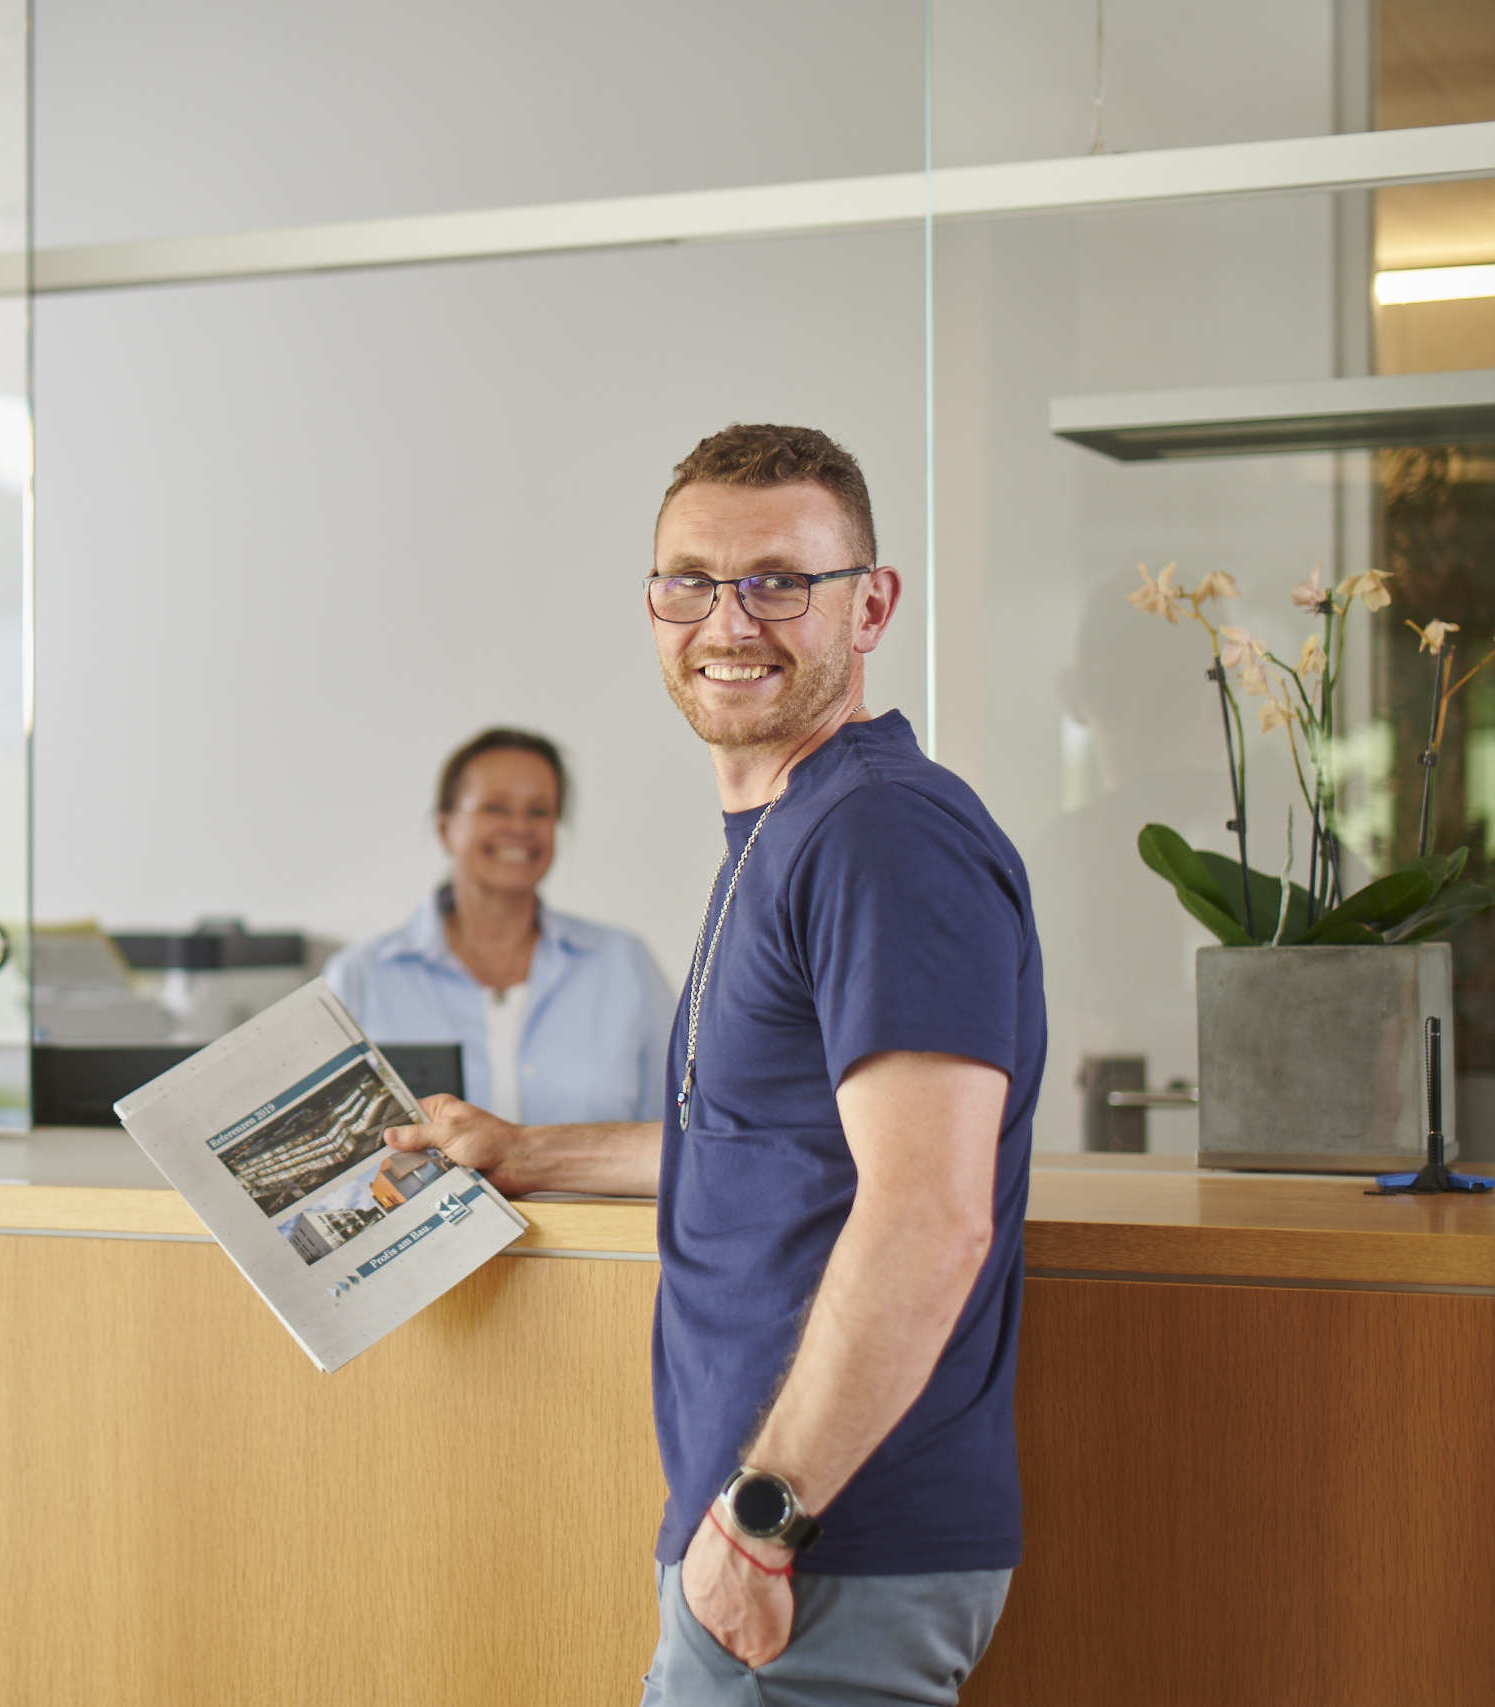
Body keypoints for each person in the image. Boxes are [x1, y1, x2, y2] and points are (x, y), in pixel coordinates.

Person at [389, 424, 1042, 1707]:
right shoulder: (788, 829)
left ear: (871, 607)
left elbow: (928, 1212)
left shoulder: (876, 835)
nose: (728, 623)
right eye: (689, 582)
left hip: (819, 1546)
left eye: (779, 582)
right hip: (785, 1540)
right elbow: (778, 1144)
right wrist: (525, 1153)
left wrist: (758, 1527)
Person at [324, 728, 673, 1124]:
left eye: (539, 811)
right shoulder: (360, 978)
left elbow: (681, 1130)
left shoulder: (624, 963)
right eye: (495, 808)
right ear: (445, 829)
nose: (519, 826)